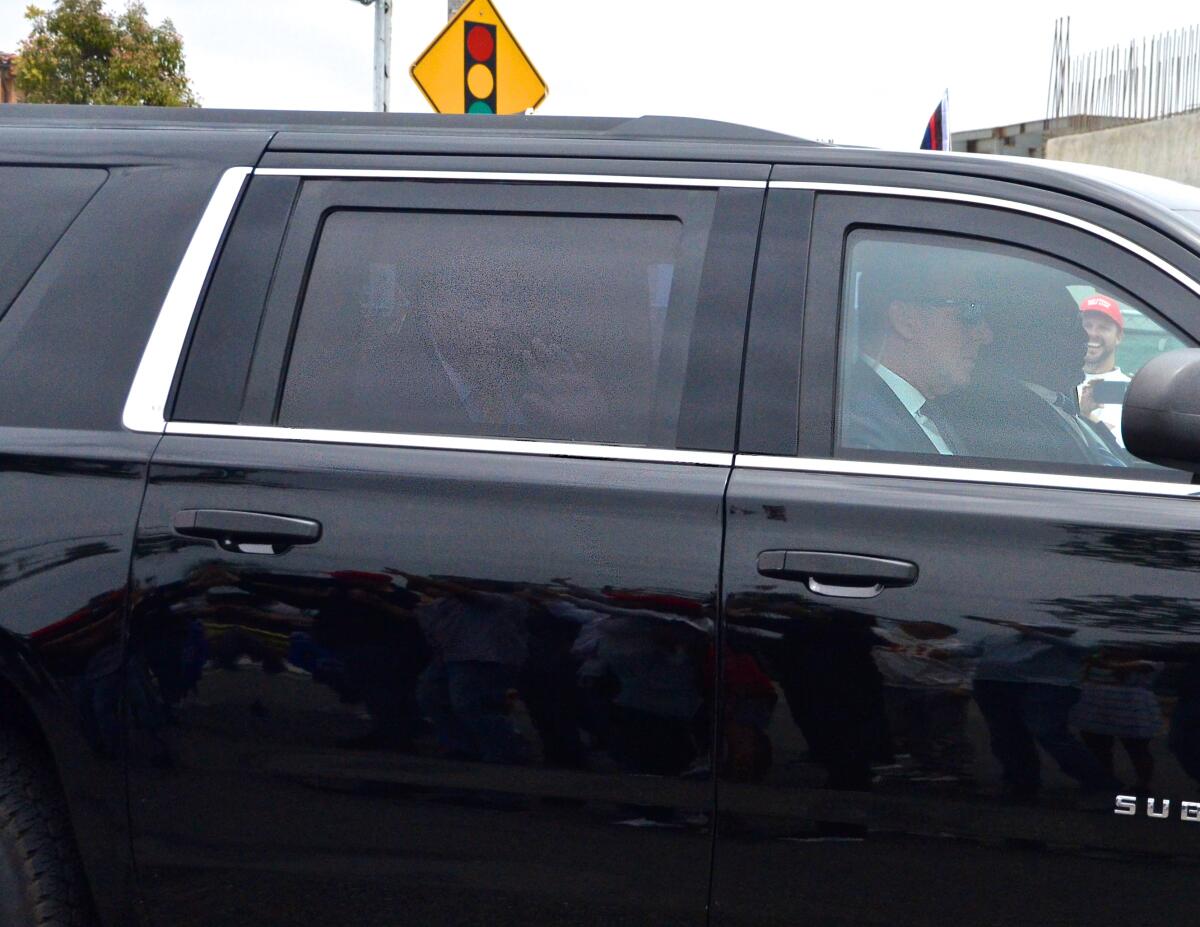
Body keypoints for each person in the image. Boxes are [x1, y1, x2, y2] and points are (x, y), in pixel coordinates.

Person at [841, 252, 994, 455]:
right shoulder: (858, 428)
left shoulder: (933, 411)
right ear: (904, 319)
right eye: (969, 310)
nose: (986, 335)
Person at [1076, 294, 1131, 445]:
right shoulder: (1055, 385)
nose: (1092, 333)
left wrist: (1085, 416)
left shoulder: (1133, 391)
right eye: (1087, 325)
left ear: (1118, 336)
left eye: (1103, 327)